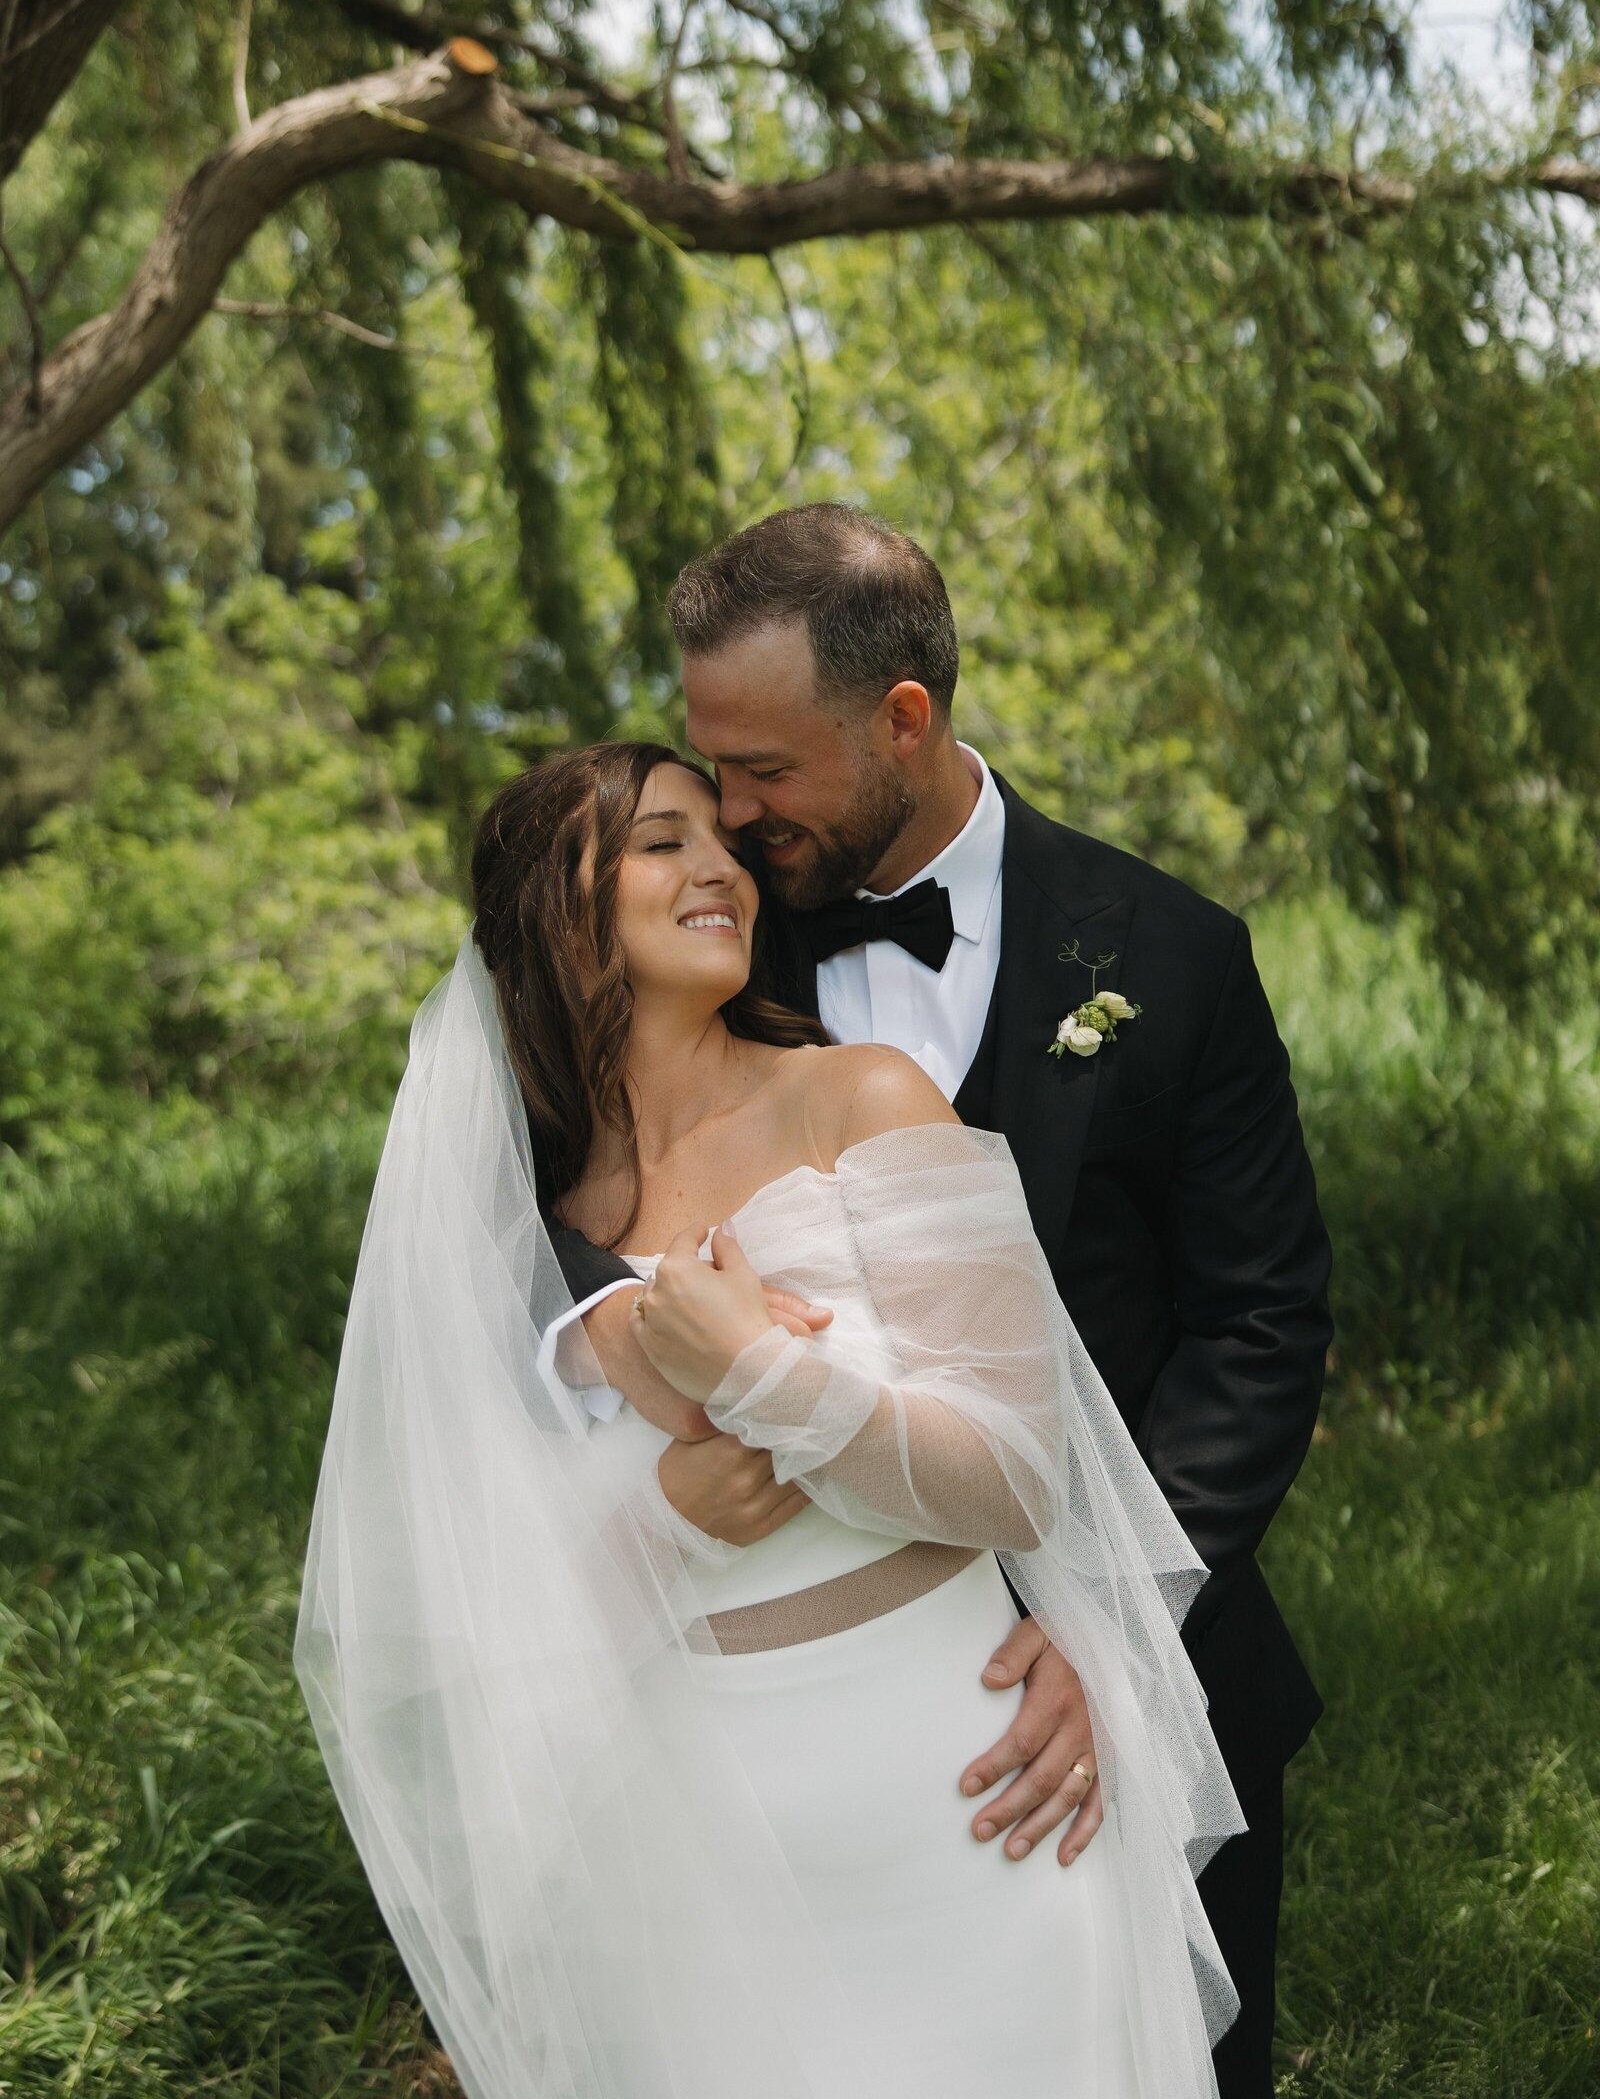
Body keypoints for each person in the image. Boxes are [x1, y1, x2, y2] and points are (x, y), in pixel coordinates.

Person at [295, 736, 1247, 2099]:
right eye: (663, 840)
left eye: (722, 838)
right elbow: (471, 1615)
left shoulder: (861, 1100)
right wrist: (663, 1523)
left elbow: (1020, 1481)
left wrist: (765, 1378)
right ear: (558, 922)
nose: (721, 868)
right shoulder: (517, 1246)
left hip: (969, 1797)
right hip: (697, 1849)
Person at [543, 506, 1334, 2099]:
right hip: (795, 1727)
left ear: (904, 716)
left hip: (1143, 1668)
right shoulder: (715, 953)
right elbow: (591, 1243)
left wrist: (1108, 1628)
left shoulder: (1169, 956)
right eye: (710, 772)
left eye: (765, 770)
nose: (733, 816)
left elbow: (1258, 1320)